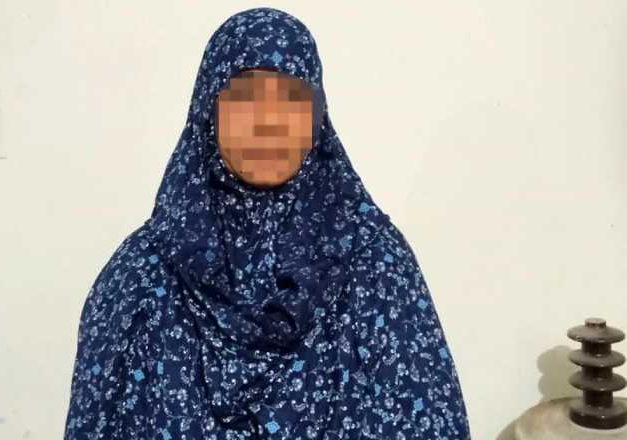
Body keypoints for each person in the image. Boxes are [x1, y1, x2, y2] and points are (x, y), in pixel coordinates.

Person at [63, 7, 472, 439]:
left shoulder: (373, 263)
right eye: (245, 98)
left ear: (317, 119)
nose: (269, 121)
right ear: (208, 111)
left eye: (293, 99)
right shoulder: (141, 279)